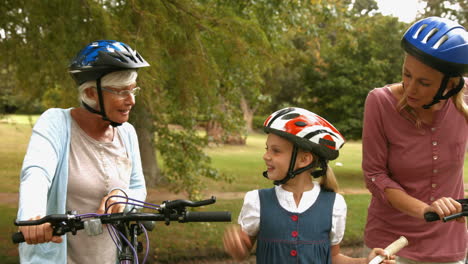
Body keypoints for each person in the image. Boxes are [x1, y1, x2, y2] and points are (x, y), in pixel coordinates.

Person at [16, 40, 149, 263]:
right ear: (90, 93)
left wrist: (122, 198)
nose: (131, 100)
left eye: (133, 89)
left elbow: (138, 188)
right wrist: (32, 217)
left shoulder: (127, 133)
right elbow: (36, 173)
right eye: (121, 92)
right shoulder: (56, 124)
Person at [223, 107, 395, 263]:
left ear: (304, 159)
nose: (266, 156)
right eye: (267, 149)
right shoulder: (257, 201)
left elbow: (333, 257)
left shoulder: (334, 205)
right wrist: (237, 248)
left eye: (275, 151)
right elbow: (242, 254)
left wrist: (366, 262)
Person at [362, 17, 468, 264]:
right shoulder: (380, 102)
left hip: (447, 242)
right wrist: (425, 210)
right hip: (390, 243)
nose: (410, 88)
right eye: (406, 75)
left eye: (423, 82)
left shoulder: (464, 99)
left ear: (451, 85)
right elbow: (375, 175)